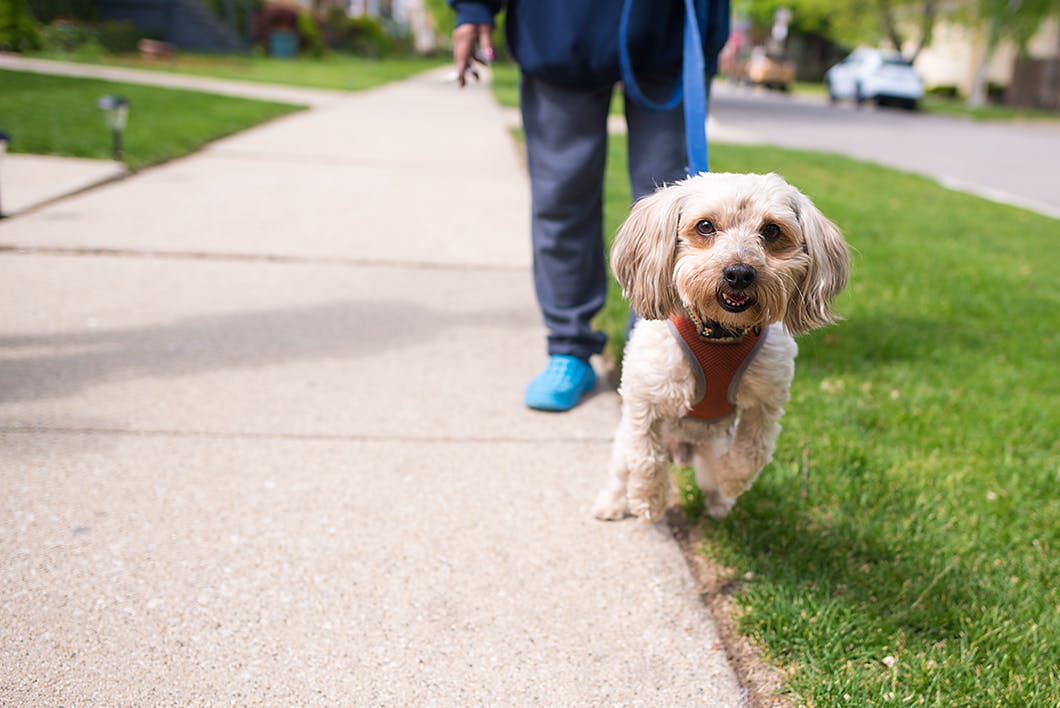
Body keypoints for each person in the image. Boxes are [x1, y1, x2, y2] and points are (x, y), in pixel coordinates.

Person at [449, 0, 731, 411]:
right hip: (558, 27)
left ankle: (657, 348)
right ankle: (569, 347)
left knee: (676, 214)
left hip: (672, 29)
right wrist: (474, 7)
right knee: (561, 199)